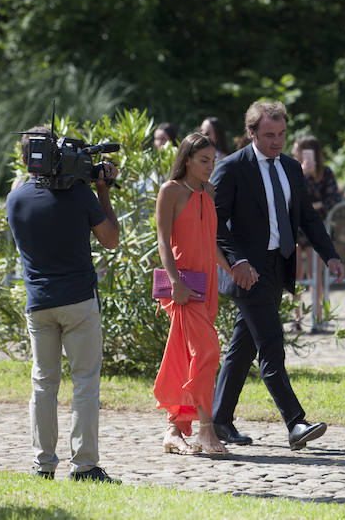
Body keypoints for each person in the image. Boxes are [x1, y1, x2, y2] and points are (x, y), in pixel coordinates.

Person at [211, 100, 345, 450]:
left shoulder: (290, 167)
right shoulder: (231, 168)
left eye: (282, 134)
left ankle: (219, 420)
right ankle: (295, 422)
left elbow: (307, 217)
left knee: (243, 346)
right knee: (271, 343)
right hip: (246, 271)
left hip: (278, 265)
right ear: (251, 132)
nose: (277, 141)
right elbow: (213, 223)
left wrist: (329, 254)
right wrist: (237, 261)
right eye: (269, 134)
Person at [5, 126, 121, 483]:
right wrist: (102, 189)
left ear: (26, 159)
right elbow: (111, 240)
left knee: (43, 383)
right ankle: (84, 466)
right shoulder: (81, 194)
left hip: (38, 303)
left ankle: (43, 465)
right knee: (84, 381)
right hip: (79, 302)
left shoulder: (15, 198)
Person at [153, 133, 232, 455]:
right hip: (184, 284)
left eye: (213, 161)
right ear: (186, 159)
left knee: (186, 356)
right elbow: (162, 240)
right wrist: (174, 282)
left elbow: (210, 241)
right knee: (208, 352)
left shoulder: (208, 191)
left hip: (208, 283)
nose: (210, 167)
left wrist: (232, 269)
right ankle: (206, 430)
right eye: (203, 160)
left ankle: (174, 430)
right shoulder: (170, 191)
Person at [291, 135, 341, 331]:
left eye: (298, 149)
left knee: (315, 275)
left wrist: (314, 205)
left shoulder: (326, 173)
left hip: (315, 230)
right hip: (294, 230)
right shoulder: (292, 171)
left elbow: (334, 199)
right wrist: (302, 174)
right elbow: (289, 197)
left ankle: (317, 317)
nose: (294, 152)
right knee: (294, 275)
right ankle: (297, 319)